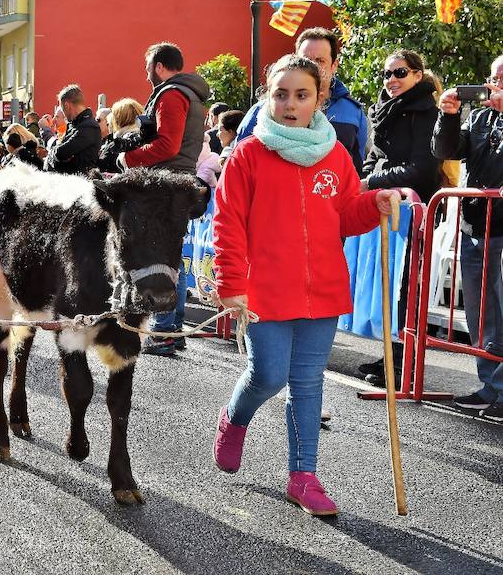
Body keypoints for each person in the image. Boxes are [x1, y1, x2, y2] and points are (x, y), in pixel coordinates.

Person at [212, 54, 401, 517]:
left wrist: (374, 200)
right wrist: (231, 282)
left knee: (307, 383)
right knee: (269, 374)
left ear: (319, 98)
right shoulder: (247, 155)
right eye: (281, 94)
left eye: (301, 95)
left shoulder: (335, 154)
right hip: (265, 289)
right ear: (267, 97)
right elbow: (228, 223)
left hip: (322, 288)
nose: (290, 104)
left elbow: (347, 213)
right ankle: (234, 421)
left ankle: (304, 476)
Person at [118, 42, 210, 356]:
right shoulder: (190, 94)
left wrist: (129, 159)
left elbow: (168, 145)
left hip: (165, 183)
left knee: (163, 258)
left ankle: (165, 329)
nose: (146, 77)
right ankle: (170, 328)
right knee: (171, 259)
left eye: (148, 69)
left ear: (158, 66)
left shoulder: (171, 94)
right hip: (178, 181)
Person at [357, 50, 443, 386]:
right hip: (387, 205)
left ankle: (405, 364)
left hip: (413, 210)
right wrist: (363, 181)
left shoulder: (426, 113)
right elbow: (374, 156)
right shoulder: (384, 110)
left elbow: (422, 169)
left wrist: (372, 181)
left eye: (400, 72)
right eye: (387, 73)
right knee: (389, 287)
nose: (391, 79)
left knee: (407, 289)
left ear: (418, 75)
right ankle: (391, 356)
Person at [433, 55, 503, 422]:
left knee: (500, 309)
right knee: (479, 312)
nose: (494, 85)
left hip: (501, 229)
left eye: (502, 79)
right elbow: (445, 151)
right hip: (476, 225)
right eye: (492, 77)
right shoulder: (480, 118)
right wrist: (447, 115)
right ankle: (491, 385)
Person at [235, 28, 368, 176]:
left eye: (320, 60)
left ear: (334, 65)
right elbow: (238, 169)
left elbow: (355, 172)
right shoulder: (262, 112)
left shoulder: (353, 112)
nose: (313, 66)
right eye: (306, 60)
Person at [44, 84, 102, 175]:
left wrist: (55, 152)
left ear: (67, 105)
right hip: (68, 181)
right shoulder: (74, 124)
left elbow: (61, 153)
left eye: (62, 108)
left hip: (80, 184)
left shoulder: (89, 127)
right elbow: (60, 153)